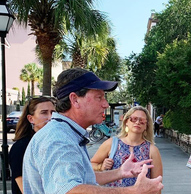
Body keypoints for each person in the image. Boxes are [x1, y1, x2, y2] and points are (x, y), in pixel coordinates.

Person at [22, 68, 163, 194]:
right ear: (75, 100)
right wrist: (132, 191)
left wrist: (120, 172)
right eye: (99, 97)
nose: (105, 104)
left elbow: (82, 178)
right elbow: (69, 190)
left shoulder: (68, 134)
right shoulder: (58, 139)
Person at [90, 106, 163, 189]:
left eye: (142, 120)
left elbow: (156, 185)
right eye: (134, 119)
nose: (137, 122)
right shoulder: (111, 144)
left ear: (146, 126)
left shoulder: (152, 150)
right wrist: (101, 167)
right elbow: (90, 165)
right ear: (126, 122)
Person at [9, 96, 55, 194]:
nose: (50, 117)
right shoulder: (21, 147)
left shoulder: (54, 143)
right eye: (44, 112)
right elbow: (25, 188)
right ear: (31, 119)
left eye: (53, 112)